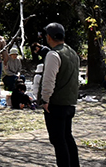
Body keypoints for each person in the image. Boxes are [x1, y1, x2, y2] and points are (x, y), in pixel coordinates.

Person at [39, 22, 80, 167]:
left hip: (56, 103)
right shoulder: (72, 53)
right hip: (70, 102)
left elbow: (49, 80)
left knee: (58, 140)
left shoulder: (53, 54)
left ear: (49, 37)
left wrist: (45, 99)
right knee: (67, 137)